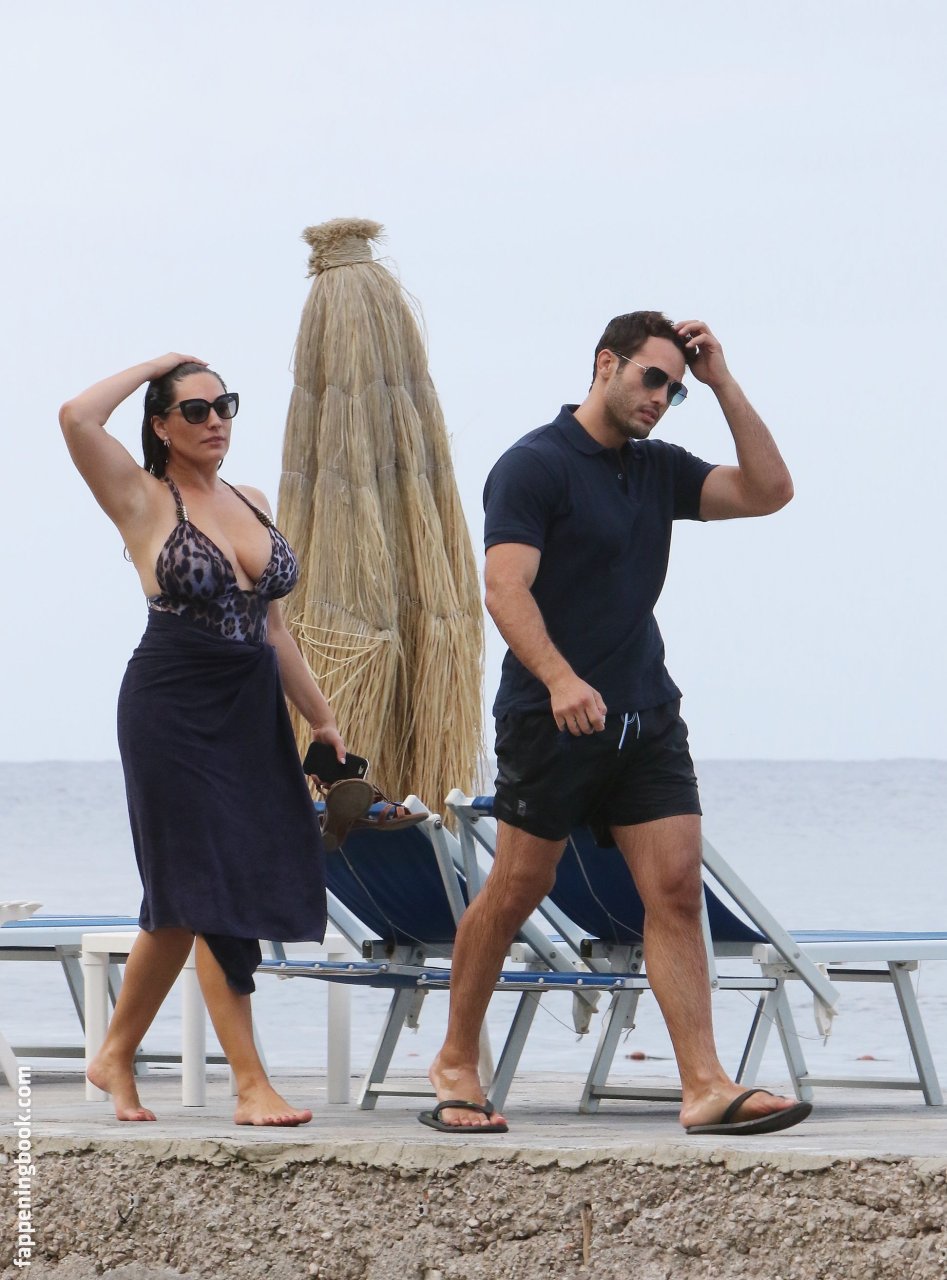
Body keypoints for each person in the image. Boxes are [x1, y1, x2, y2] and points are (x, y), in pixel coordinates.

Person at [425, 312, 810, 1136]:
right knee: (517, 888)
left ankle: (703, 1085)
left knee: (674, 890)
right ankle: (455, 1061)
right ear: (606, 364)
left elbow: (770, 492)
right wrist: (560, 678)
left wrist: (721, 382)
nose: (661, 398)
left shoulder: (656, 469)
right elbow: (503, 588)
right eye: (651, 378)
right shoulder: (533, 465)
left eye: (674, 389)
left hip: (647, 714)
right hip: (550, 717)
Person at [60, 353, 370, 1126]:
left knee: (185, 896)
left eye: (223, 404)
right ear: (161, 426)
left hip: (249, 708)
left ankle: (114, 1054)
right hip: (170, 707)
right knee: (207, 885)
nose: (214, 420)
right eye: (194, 409)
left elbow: (274, 629)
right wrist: (158, 364)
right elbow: (76, 417)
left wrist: (321, 718)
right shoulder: (140, 496)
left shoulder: (251, 500)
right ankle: (250, 1083)